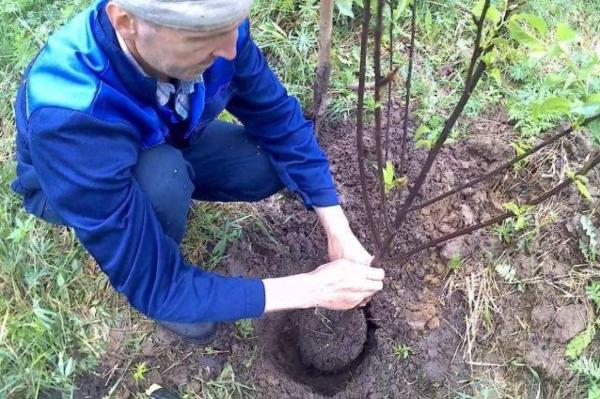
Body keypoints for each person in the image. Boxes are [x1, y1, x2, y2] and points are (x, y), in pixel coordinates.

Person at [11, 0, 385, 343]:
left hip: (166, 132)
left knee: (267, 163)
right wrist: (311, 289)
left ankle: (169, 179)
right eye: (203, 38)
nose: (229, 50)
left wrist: (338, 228)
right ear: (126, 23)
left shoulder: (220, 35)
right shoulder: (70, 115)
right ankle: (158, 254)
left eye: (232, 28)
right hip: (74, 177)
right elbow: (160, 289)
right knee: (162, 180)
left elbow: (278, 120)